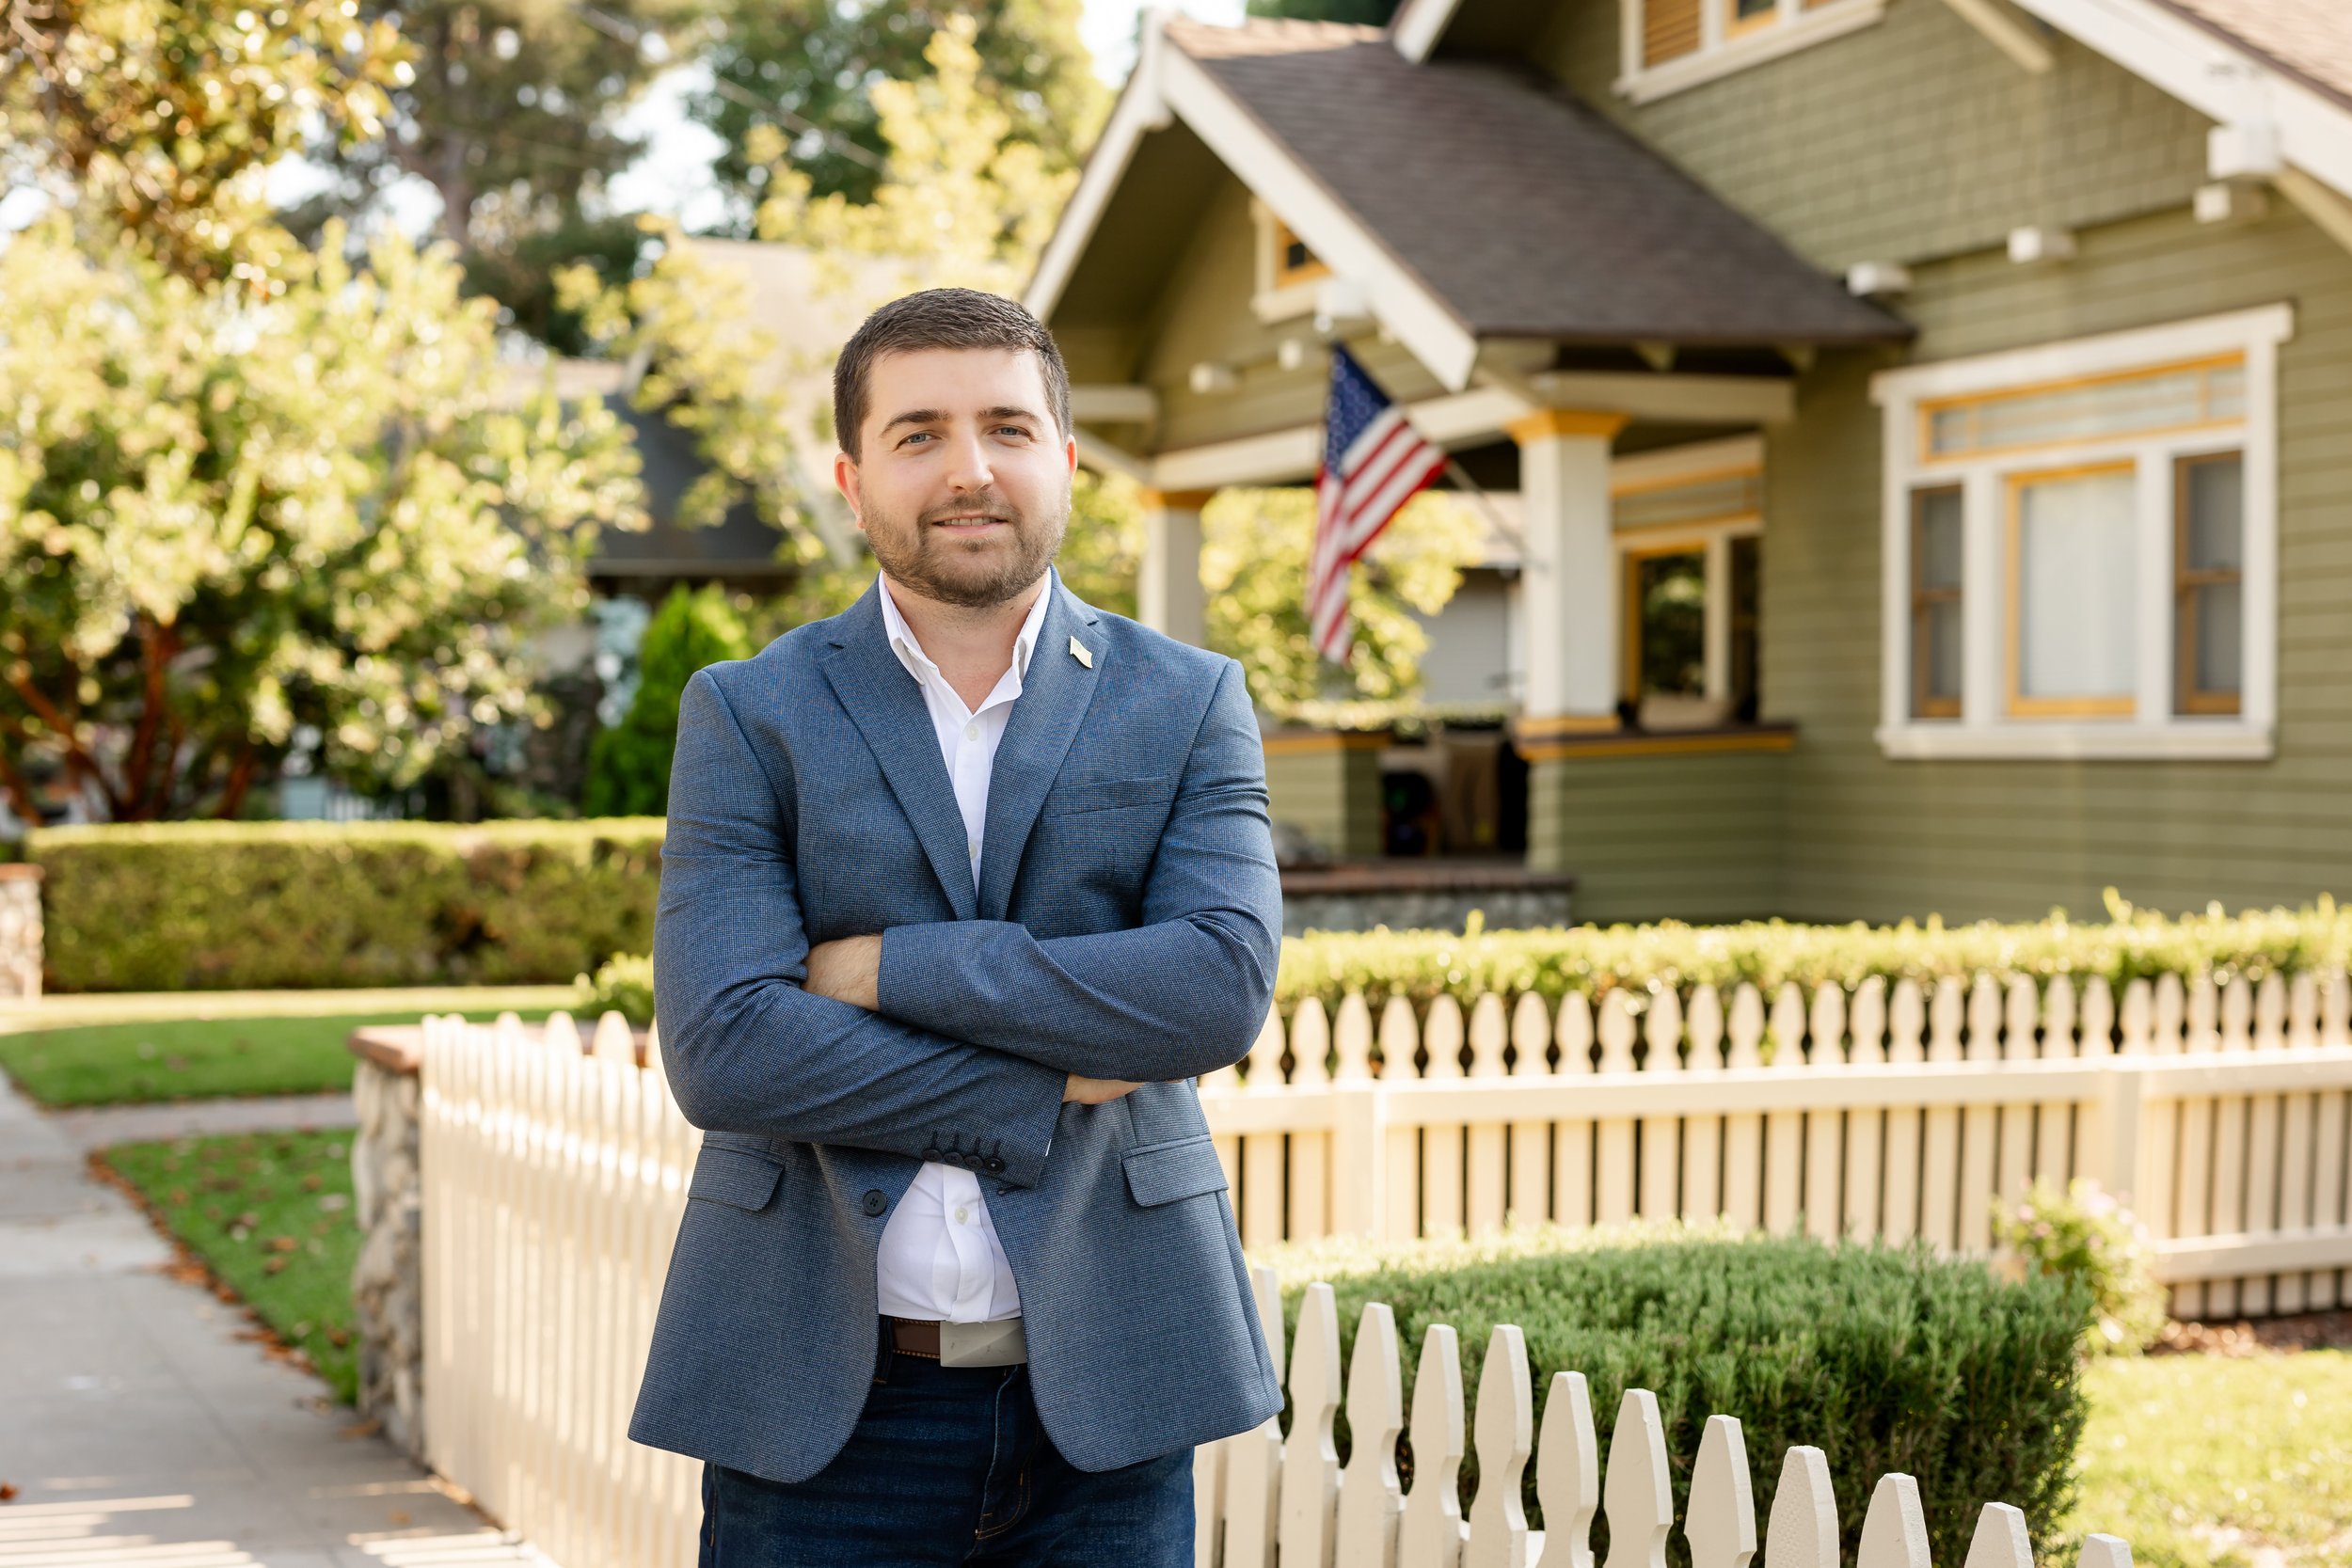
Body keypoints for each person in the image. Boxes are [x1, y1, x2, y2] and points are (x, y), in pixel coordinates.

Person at [628, 287, 1284, 1566]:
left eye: (1008, 427)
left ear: (1065, 460)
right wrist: (1048, 1085)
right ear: (851, 477)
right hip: (822, 1410)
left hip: (1111, 1404)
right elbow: (727, 1049)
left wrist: (887, 969)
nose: (970, 469)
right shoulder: (750, 712)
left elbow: (1214, 991)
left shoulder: (1189, 700)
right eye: (919, 433)